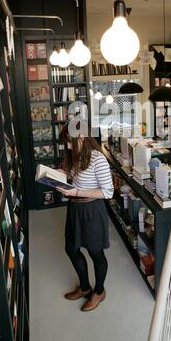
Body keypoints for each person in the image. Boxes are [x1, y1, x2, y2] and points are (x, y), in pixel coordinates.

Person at [57, 126, 114, 312]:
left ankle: (99, 291)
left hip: (92, 209)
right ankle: (84, 287)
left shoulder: (98, 159)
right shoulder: (74, 155)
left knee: (95, 253)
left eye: (68, 140)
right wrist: (61, 178)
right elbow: (76, 180)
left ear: (81, 136)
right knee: (71, 248)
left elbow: (108, 192)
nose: (67, 145)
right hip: (75, 207)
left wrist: (76, 191)